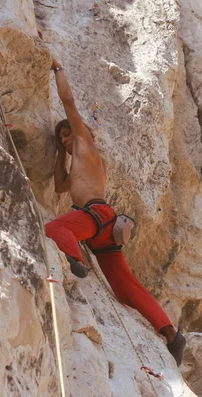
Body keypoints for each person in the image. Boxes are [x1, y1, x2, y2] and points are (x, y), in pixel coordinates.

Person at [44, 57, 186, 366]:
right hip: (103, 226)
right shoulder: (78, 162)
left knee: (56, 229)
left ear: (81, 133)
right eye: (63, 138)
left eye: (68, 134)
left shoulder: (87, 146)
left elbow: (68, 102)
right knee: (125, 286)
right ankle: (171, 334)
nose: (67, 139)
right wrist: (58, 152)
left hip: (95, 216)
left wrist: (58, 69)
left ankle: (74, 261)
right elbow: (59, 187)